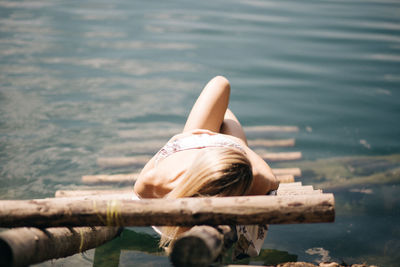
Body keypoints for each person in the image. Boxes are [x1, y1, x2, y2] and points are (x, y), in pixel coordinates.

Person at [133, 76, 279, 256]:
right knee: (220, 89)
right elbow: (273, 180)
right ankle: (218, 129)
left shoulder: (156, 182)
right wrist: (241, 147)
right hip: (205, 145)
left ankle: (218, 130)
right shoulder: (253, 180)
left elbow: (270, 179)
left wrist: (176, 140)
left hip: (212, 146)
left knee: (220, 85)